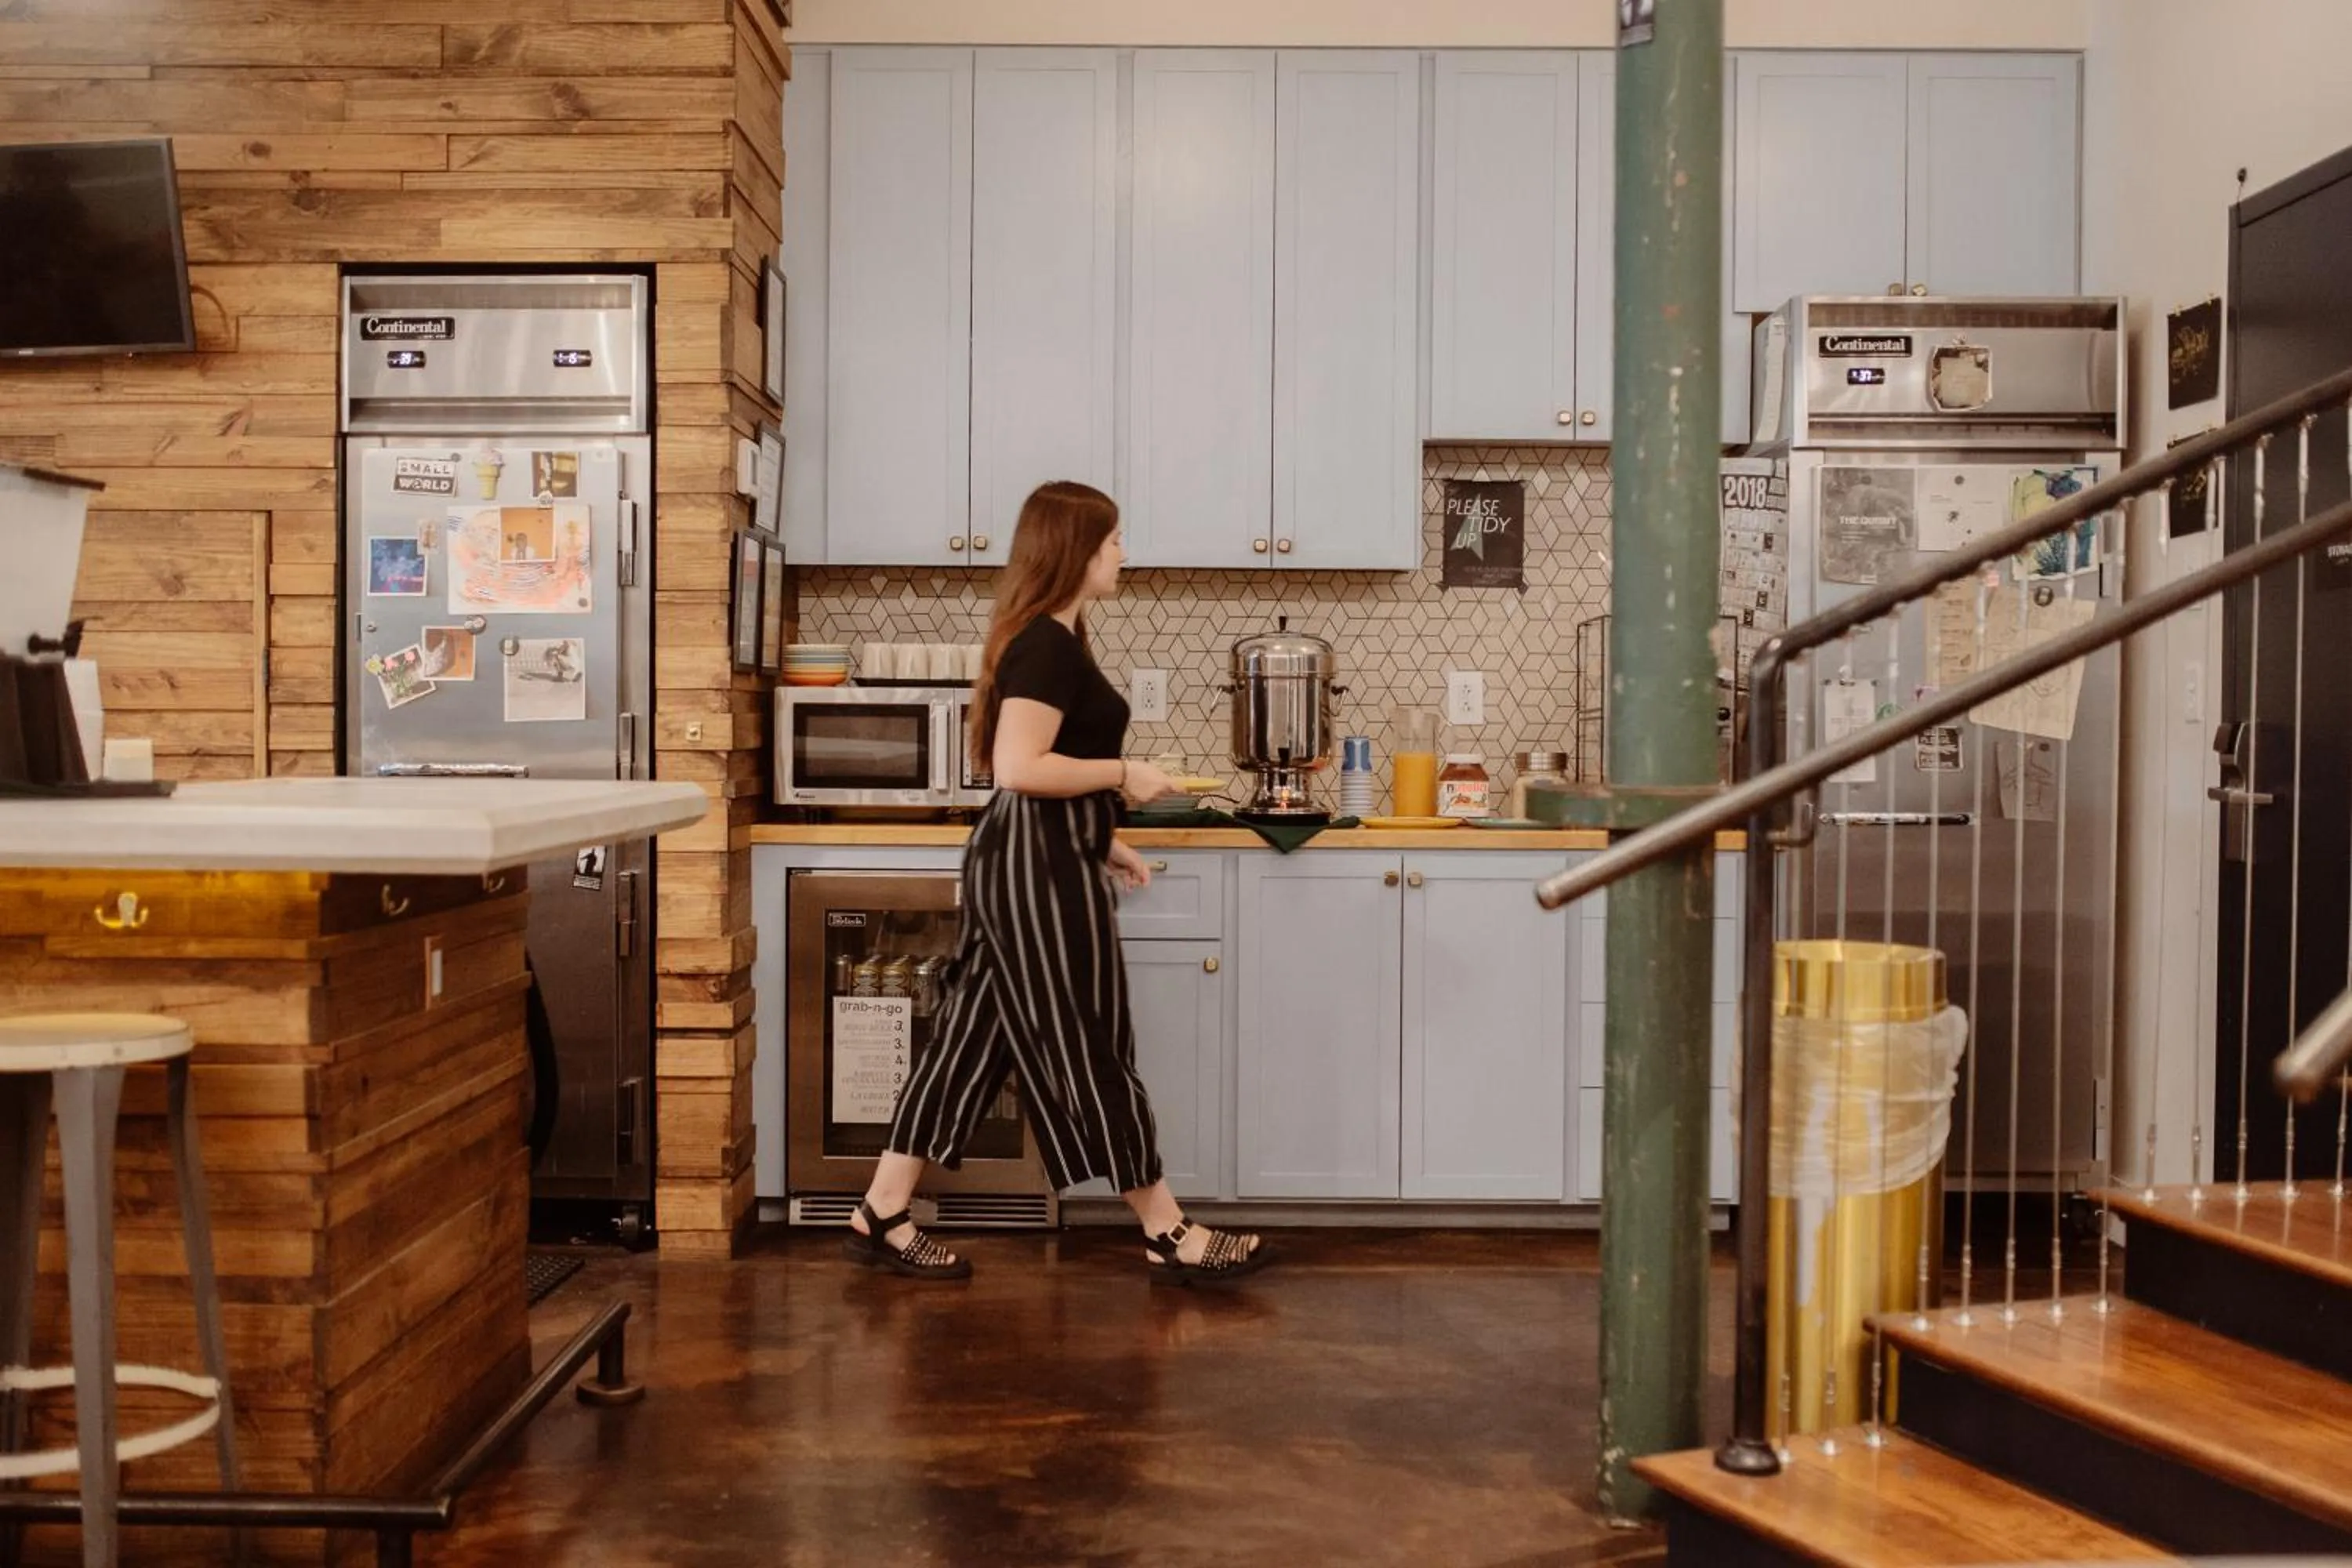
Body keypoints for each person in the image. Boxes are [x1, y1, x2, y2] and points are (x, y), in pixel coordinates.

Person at [846, 481, 1271, 1287]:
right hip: (1034, 873)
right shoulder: (1045, 643)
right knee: (1089, 1036)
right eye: (1113, 540)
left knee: (969, 1039)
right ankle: (1166, 1229)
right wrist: (1124, 774)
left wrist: (1103, 837)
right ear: (1075, 550)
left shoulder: (1059, 640)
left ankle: (881, 1210)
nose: (1124, 553)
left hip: (1040, 857)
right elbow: (1018, 767)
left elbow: (1037, 774)